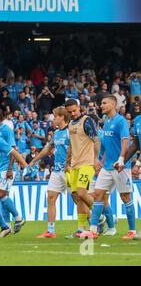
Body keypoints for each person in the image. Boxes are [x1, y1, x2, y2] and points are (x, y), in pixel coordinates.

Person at [81, 95, 136, 240]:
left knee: (125, 197)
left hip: (120, 166)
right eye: (101, 103)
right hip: (106, 167)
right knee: (98, 195)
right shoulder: (106, 121)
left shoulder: (121, 121)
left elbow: (125, 142)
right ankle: (93, 230)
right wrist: (100, 161)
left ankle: (132, 231)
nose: (101, 105)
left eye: (104, 103)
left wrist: (121, 159)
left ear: (113, 104)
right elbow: (105, 146)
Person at [29, 106, 70, 238]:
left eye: (56, 116)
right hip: (57, 170)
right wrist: (34, 160)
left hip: (69, 170)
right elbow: (47, 149)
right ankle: (50, 231)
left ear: (63, 117)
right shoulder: (57, 133)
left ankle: (96, 220)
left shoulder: (71, 131)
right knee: (51, 197)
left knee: (79, 198)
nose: (54, 119)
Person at [64, 98, 100, 239]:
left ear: (79, 108)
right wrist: (68, 161)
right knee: (77, 197)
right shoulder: (70, 124)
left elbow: (96, 140)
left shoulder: (86, 120)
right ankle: (80, 229)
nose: (73, 113)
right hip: (74, 164)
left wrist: (95, 159)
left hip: (86, 163)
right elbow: (72, 145)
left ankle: (100, 217)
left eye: (74, 110)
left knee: (82, 193)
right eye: (70, 112)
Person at [0, 109, 25, 234]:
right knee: (3, 196)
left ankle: (18, 218)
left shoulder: (6, 130)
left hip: (7, 168)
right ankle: (7, 226)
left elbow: (13, 149)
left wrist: (10, 168)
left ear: (0, 118)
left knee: (1, 194)